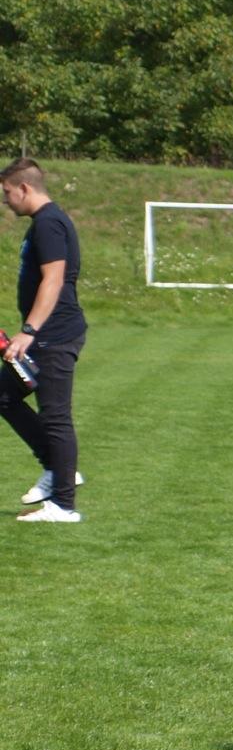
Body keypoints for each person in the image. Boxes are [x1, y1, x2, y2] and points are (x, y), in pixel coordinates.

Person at [1, 158, 87, 522]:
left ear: (24, 188)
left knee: (55, 416)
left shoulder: (49, 223)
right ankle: (57, 468)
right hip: (44, 335)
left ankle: (63, 506)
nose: (5, 201)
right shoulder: (44, 222)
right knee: (4, 395)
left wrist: (29, 330)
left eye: (7, 192)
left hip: (54, 335)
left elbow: (54, 279)